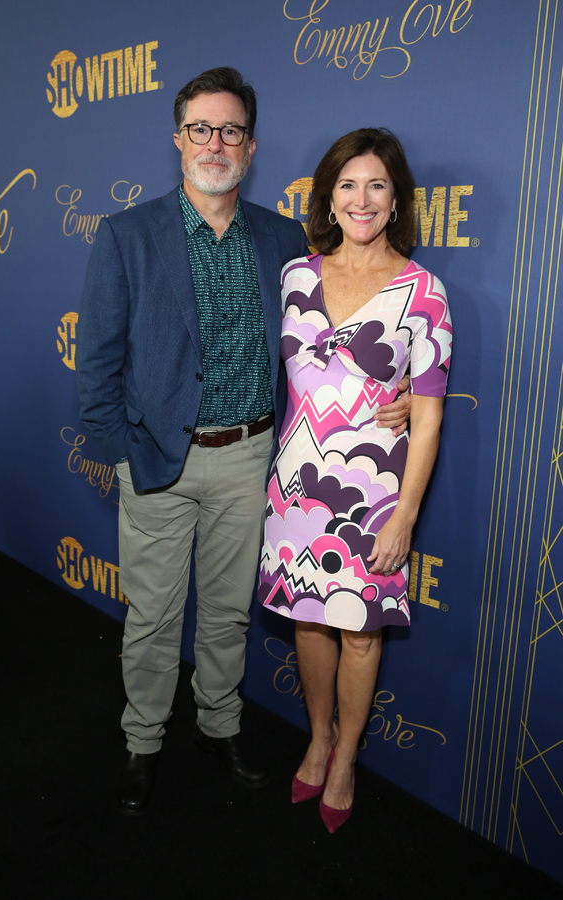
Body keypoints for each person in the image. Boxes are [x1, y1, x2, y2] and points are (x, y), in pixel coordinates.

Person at [76, 69, 411, 817]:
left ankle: (219, 728)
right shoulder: (126, 236)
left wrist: (395, 399)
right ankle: (143, 740)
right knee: (156, 616)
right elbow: (94, 370)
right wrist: (126, 455)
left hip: (252, 459)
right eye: (201, 128)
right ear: (178, 139)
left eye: (230, 131)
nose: (215, 143)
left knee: (227, 612)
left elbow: (333, 347)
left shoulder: (284, 238)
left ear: (251, 147)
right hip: (159, 461)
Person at [258, 128, 452, 832]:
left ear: (396, 198)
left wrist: (404, 517)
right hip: (295, 485)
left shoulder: (424, 293)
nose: (361, 198)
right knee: (309, 619)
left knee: (361, 634)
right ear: (329, 198)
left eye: (375, 185)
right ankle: (317, 736)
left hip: (374, 497)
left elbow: (425, 421)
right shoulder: (295, 277)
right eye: (347, 184)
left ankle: (345, 761)